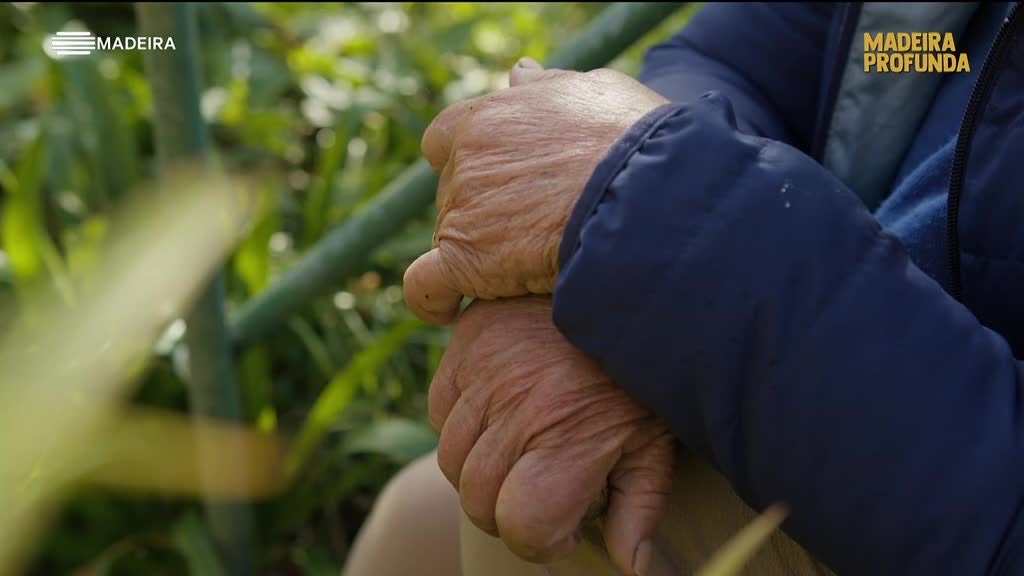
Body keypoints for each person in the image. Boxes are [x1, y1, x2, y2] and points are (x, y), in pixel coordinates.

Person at [346, 2, 1024, 575]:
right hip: (837, 376)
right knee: (418, 523)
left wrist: (637, 227)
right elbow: (747, 55)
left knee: (564, 513)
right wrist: (587, 263)